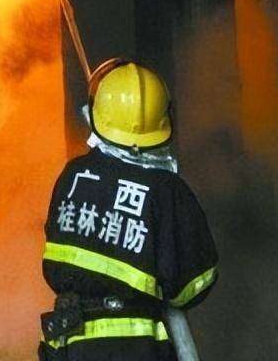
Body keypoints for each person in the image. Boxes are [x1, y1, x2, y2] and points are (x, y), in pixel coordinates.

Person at [39, 59, 217, 360]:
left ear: (96, 116)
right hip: (139, 348)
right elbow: (192, 286)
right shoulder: (167, 190)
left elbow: (55, 264)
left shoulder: (73, 176)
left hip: (70, 343)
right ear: (163, 120)